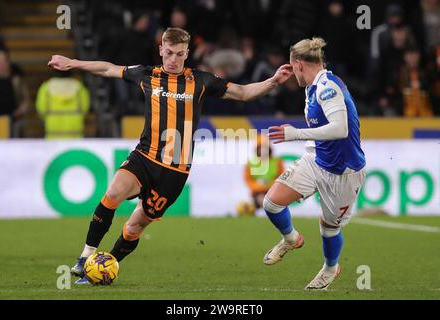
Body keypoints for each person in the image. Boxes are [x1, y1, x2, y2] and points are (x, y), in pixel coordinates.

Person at [47, 27, 292, 284]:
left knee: (134, 227)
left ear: (187, 54)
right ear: (161, 50)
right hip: (145, 156)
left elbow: (242, 93)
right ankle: (87, 257)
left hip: (174, 172)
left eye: (179, 54)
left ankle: (103, 268)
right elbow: (108, 68)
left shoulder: (201, 81)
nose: (173, 59)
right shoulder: (147, 75)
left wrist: (273, 81)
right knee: (113, 194)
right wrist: (72, 63)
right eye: (169, 53)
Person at [264, 38, 366, 290]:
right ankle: (291, 239)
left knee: (328, 228)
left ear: (298, 64)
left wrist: (295, 134)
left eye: (291, 66)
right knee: (272, 203)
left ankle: (331, 268)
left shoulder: (326, 89)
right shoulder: (312, 86)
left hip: (344, 171)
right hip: (317, 158)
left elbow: (341, 129)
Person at [36, 70, 90, 139]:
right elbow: (85, 108)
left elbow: (41, 109)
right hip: (75, 132)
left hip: (53, 133)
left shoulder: (46, 88)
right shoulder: (79, 87)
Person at [242, 135, 284, 216]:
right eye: (260, 148)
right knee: (262, 199)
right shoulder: (251, 163)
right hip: (258, 192)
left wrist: (269, 185)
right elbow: (248, 180)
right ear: (257, 149)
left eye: (265, 148)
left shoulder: (277, 161)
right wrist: (259, 187)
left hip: (274, 190)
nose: (263, 151)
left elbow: (282, 178)